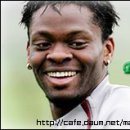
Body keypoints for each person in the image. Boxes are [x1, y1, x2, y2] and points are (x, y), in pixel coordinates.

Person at [20, 1, 130, 129]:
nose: (58, 55)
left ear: (107, 50)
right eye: (43, 44)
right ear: (29, 52)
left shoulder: (122, 113)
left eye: (77, 43)